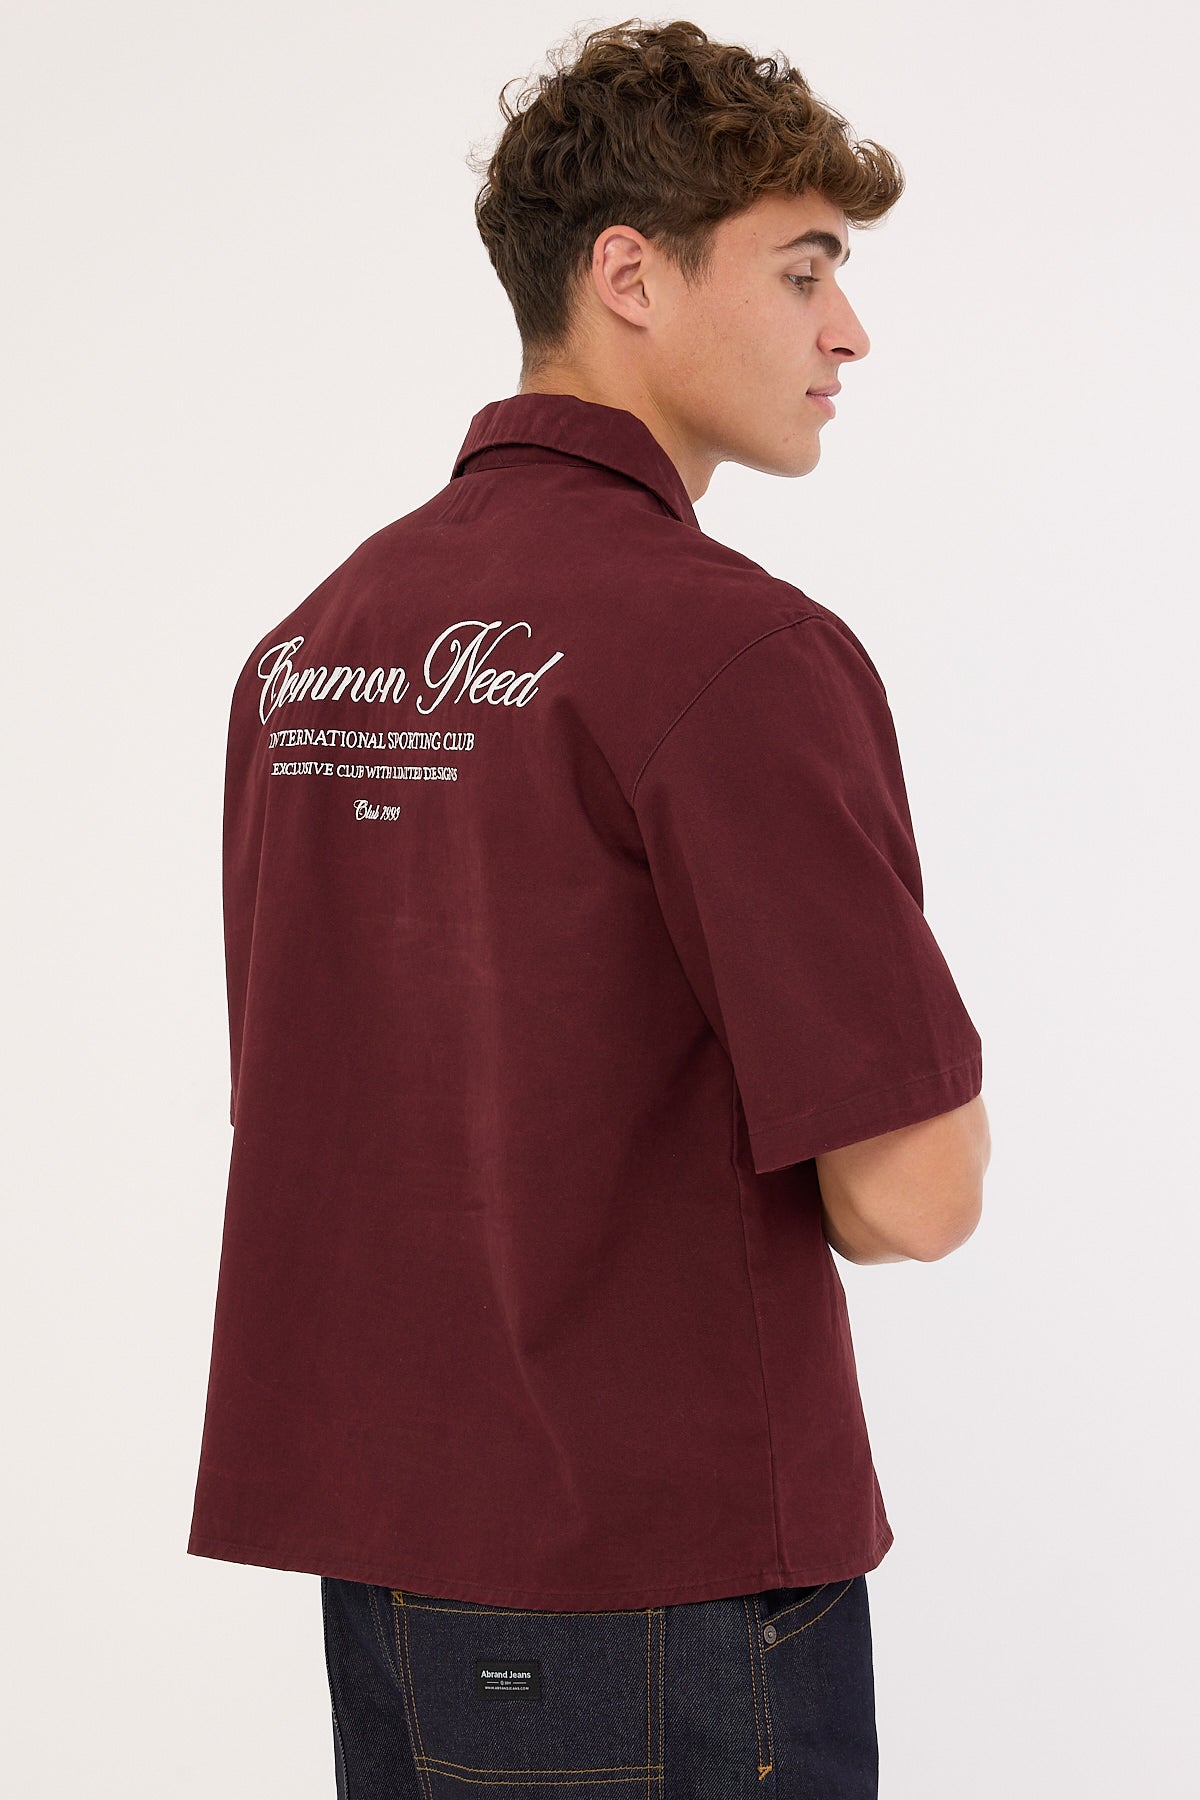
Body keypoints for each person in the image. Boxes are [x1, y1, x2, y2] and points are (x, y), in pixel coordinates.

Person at [187, 18, 990, 1797]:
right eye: (804, 270)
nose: (848, 331)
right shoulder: (733, 651)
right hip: (667, 1593)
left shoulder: (308, 650)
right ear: (630, 275)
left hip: (388, 1571)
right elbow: (913, 1193)